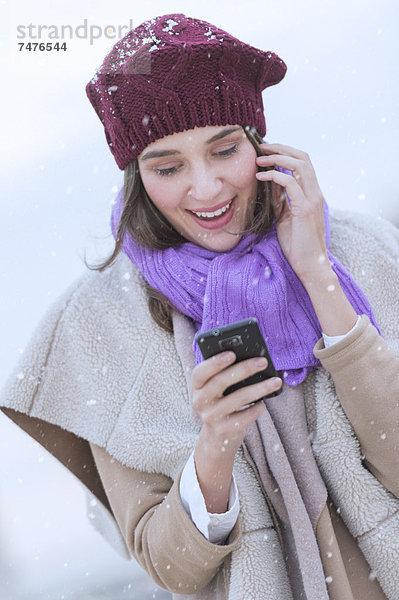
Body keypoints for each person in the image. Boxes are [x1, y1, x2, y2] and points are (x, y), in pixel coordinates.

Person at [1, 12, 398, 600]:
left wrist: (317, 273)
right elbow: (173, 570)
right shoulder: (98, 329)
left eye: (224, 149)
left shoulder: (364, 253)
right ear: (137, 177)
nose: (207, 188)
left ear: (259, 145)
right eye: (168, 167)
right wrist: (214, 446)